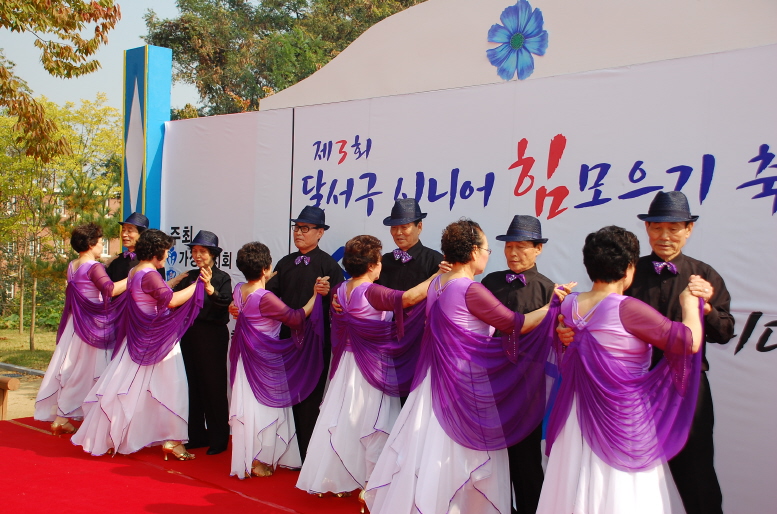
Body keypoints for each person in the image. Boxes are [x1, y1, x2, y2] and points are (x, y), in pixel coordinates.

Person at [366, 219, 570, 514]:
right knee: (456, 459)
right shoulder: (473, 289)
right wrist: (552, 305)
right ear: (475, 252)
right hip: (463, 386)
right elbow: (516, 324)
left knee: (432, 456)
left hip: (439, 384)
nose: (503, 254)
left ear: (538, 249)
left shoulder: (438, 283)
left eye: (519, 246)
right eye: (495, 248)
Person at [537, 225, 703, 514]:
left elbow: (566, 342)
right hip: (624, 418)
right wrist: (690, 304)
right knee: (622, 493)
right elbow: (688, 341)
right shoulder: (629, 309)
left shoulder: (569, 305)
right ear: (629, 267)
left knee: (572, 483)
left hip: (576, 415)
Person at [296, 235, 438, 498]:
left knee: (347, 422)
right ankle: (371, 483)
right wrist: (435, 277)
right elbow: (408, 299)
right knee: (375, 425)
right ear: (373, 264)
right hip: (372, 368)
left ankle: (343, 479)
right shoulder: (371, 291)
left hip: (347, 367)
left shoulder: (341, 289)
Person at [627, 191, 733, 514]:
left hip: (688, 388)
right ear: (647, 230)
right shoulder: (629, 273)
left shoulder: (704, 275)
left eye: (674, 228)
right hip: (637, 388)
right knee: (631, 475)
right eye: (658, 228)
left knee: (697, 475)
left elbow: (725, 332)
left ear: (689, 230)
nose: (665, 236)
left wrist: (710, 308)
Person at [72, 229, 209, 459]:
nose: (167, 255)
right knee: (171, 389)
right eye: (166, 251)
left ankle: (115, 435)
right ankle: (172, 441)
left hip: (143, 338)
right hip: (157, 340)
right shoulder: (149, 274)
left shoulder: (136, 271)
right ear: (157, 251)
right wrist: (198, 285)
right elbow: (172, 301)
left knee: (127, 388)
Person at [229, 242, 329, 479]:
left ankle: (253, 456)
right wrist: (315, 296)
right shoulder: (264, 298)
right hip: (265, 361)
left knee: (249, 406)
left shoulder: (239, 290)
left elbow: (239, 309)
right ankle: (259, 459)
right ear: (266, 268)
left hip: (246, 357)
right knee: (264, 408)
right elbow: (295, 318)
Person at [481, 214, 555, 514]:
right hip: (491, 383)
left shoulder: (548, 290)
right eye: (509, 246)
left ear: (538, 249)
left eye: (522, 246)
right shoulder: (489, 282)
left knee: (526, 459)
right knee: (493, 457)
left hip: (528, 387)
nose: (513, 253)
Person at [264, 206, 345, 463]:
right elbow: (268, 295)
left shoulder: (329, 265)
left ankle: (308, 456)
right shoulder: (285, 262)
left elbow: (340, 301)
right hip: (286, 339)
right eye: (296, 227)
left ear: (320, 233)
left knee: (310, 397)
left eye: (305, 228)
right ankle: (287, 453)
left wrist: (329, 294)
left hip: (314, 342)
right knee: (286, 395)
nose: (298, 233)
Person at [34, 223, 127, 435]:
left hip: (75, 325)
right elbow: (110, 290)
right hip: (92, 327)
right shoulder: (94, 267)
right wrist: (135, 277)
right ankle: (71, 416)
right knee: (87, 372)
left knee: (74, 369)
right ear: (92, 243)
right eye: (101, 240)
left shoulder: (73, 265)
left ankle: (63, 417)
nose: (102, 244)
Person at [170, 231, 232, 456]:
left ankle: (219, 438)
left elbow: (225, 303)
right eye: (194, 251)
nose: (197, 255)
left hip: (213, 337)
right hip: (188, 336)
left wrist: (210, 290)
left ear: (213, 254)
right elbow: (172, 301)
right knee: (191, 385)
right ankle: (196, 435)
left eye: (202, 252)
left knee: (213, 386)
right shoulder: (188, 276)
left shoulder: (222, 277)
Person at [376, 198, 443, 291]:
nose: (398, 232)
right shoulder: (383, 262)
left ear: (419, 227)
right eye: (394, 227)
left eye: (404, 227)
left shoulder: (435, 262)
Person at [106, 212, 161, 281]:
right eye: (123, 230)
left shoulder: (152, 260)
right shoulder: (116, 261)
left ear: (142, 234)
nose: (124, 234)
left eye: (129, 231)